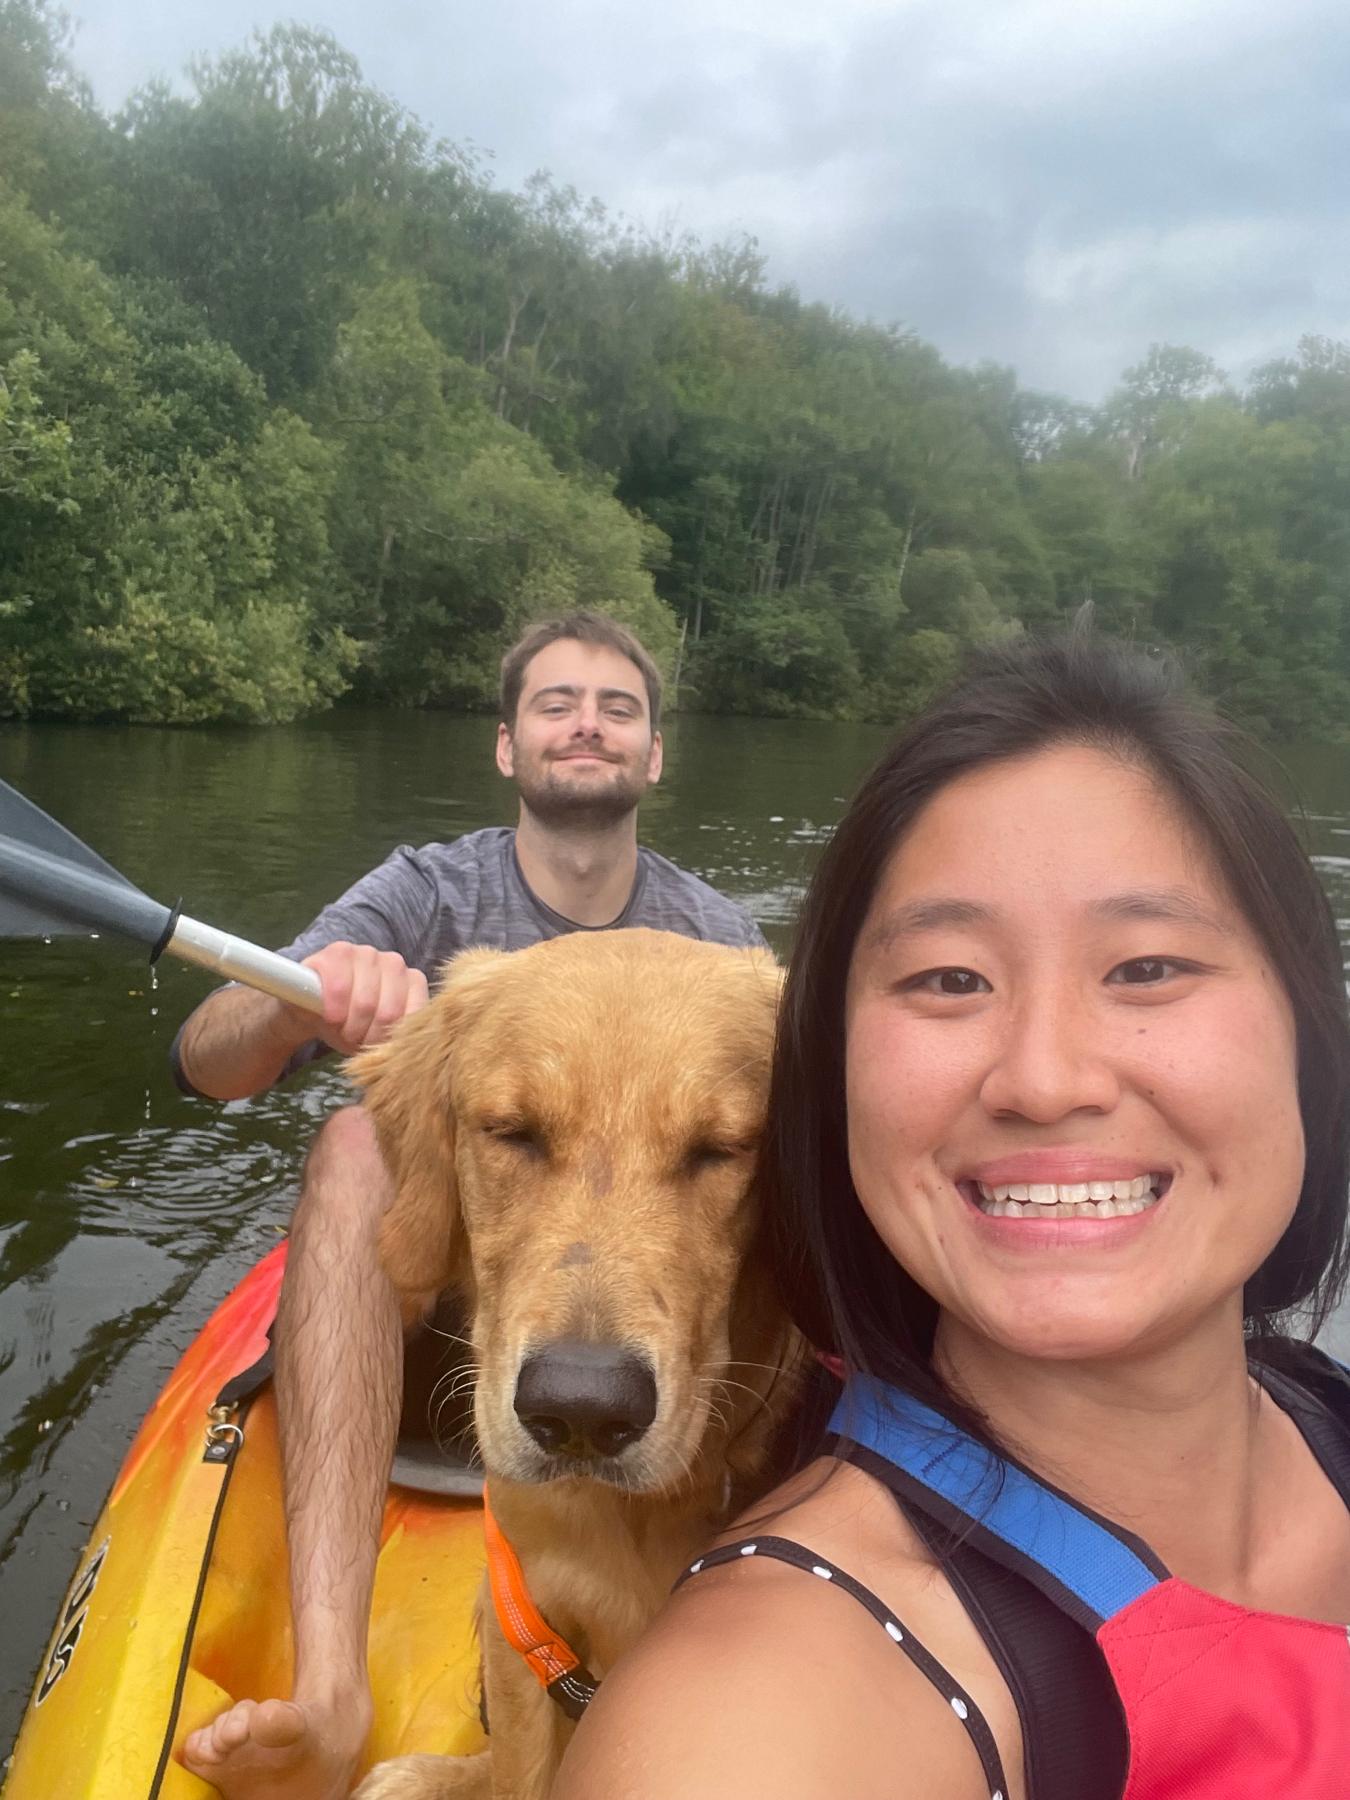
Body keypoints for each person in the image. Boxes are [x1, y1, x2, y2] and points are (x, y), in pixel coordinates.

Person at [555, 631, 1350, 1800]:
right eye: (949, 980)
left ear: (1307, 1035)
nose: (1043, 1077)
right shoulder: (755, 1727)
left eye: (1147, 968)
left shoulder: (1325, 1416)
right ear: (833, 1083)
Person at [176, 611, 765, 1800]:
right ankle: (335, 1692)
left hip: (677, 1345)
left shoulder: (729, 956)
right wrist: (300, 1005)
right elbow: (207, 1062)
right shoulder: (422, 893)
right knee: (352, 1141)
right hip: (440, 1294)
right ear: (508, 746)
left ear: (655, 756)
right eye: (556, 703)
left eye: (617, 706)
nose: (586, 723)